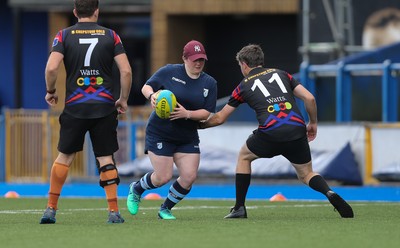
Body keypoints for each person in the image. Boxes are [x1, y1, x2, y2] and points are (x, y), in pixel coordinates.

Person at [199, 44, 354, 219]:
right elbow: (309, 98)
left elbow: (220, 118)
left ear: (243, 64)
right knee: (306, 174)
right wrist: (312, 123)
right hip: (297, 130)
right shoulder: (282, 74)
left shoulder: (243, 86)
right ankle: (329, 192)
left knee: (244, 156)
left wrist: (198, 125)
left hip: (270, 133)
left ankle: (239, 208)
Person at [40, 0, 132, 224]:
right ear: (97, 12)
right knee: (105, 158)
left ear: (75, 12)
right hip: (103, 107)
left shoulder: (63, 36)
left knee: (65, 156)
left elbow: (51, 67)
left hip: (75, 106)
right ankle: (113, 212)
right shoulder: (112, 36)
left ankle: (50, 209)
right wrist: (123, 99)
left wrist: (51, 90)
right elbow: (126, 71)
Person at [127, 40, 217, 219]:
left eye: (202, 59)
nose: (198, 63)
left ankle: (165, 208)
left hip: (187, 135)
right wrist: (152, 96)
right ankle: (136, 189)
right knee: (162, 177)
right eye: (194, 59)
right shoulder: (169, 71)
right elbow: (146, 87)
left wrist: (187, 114)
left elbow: (207, 112)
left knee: (189, 177)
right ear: (184, 58)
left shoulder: (209, 83)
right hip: (161, 132)